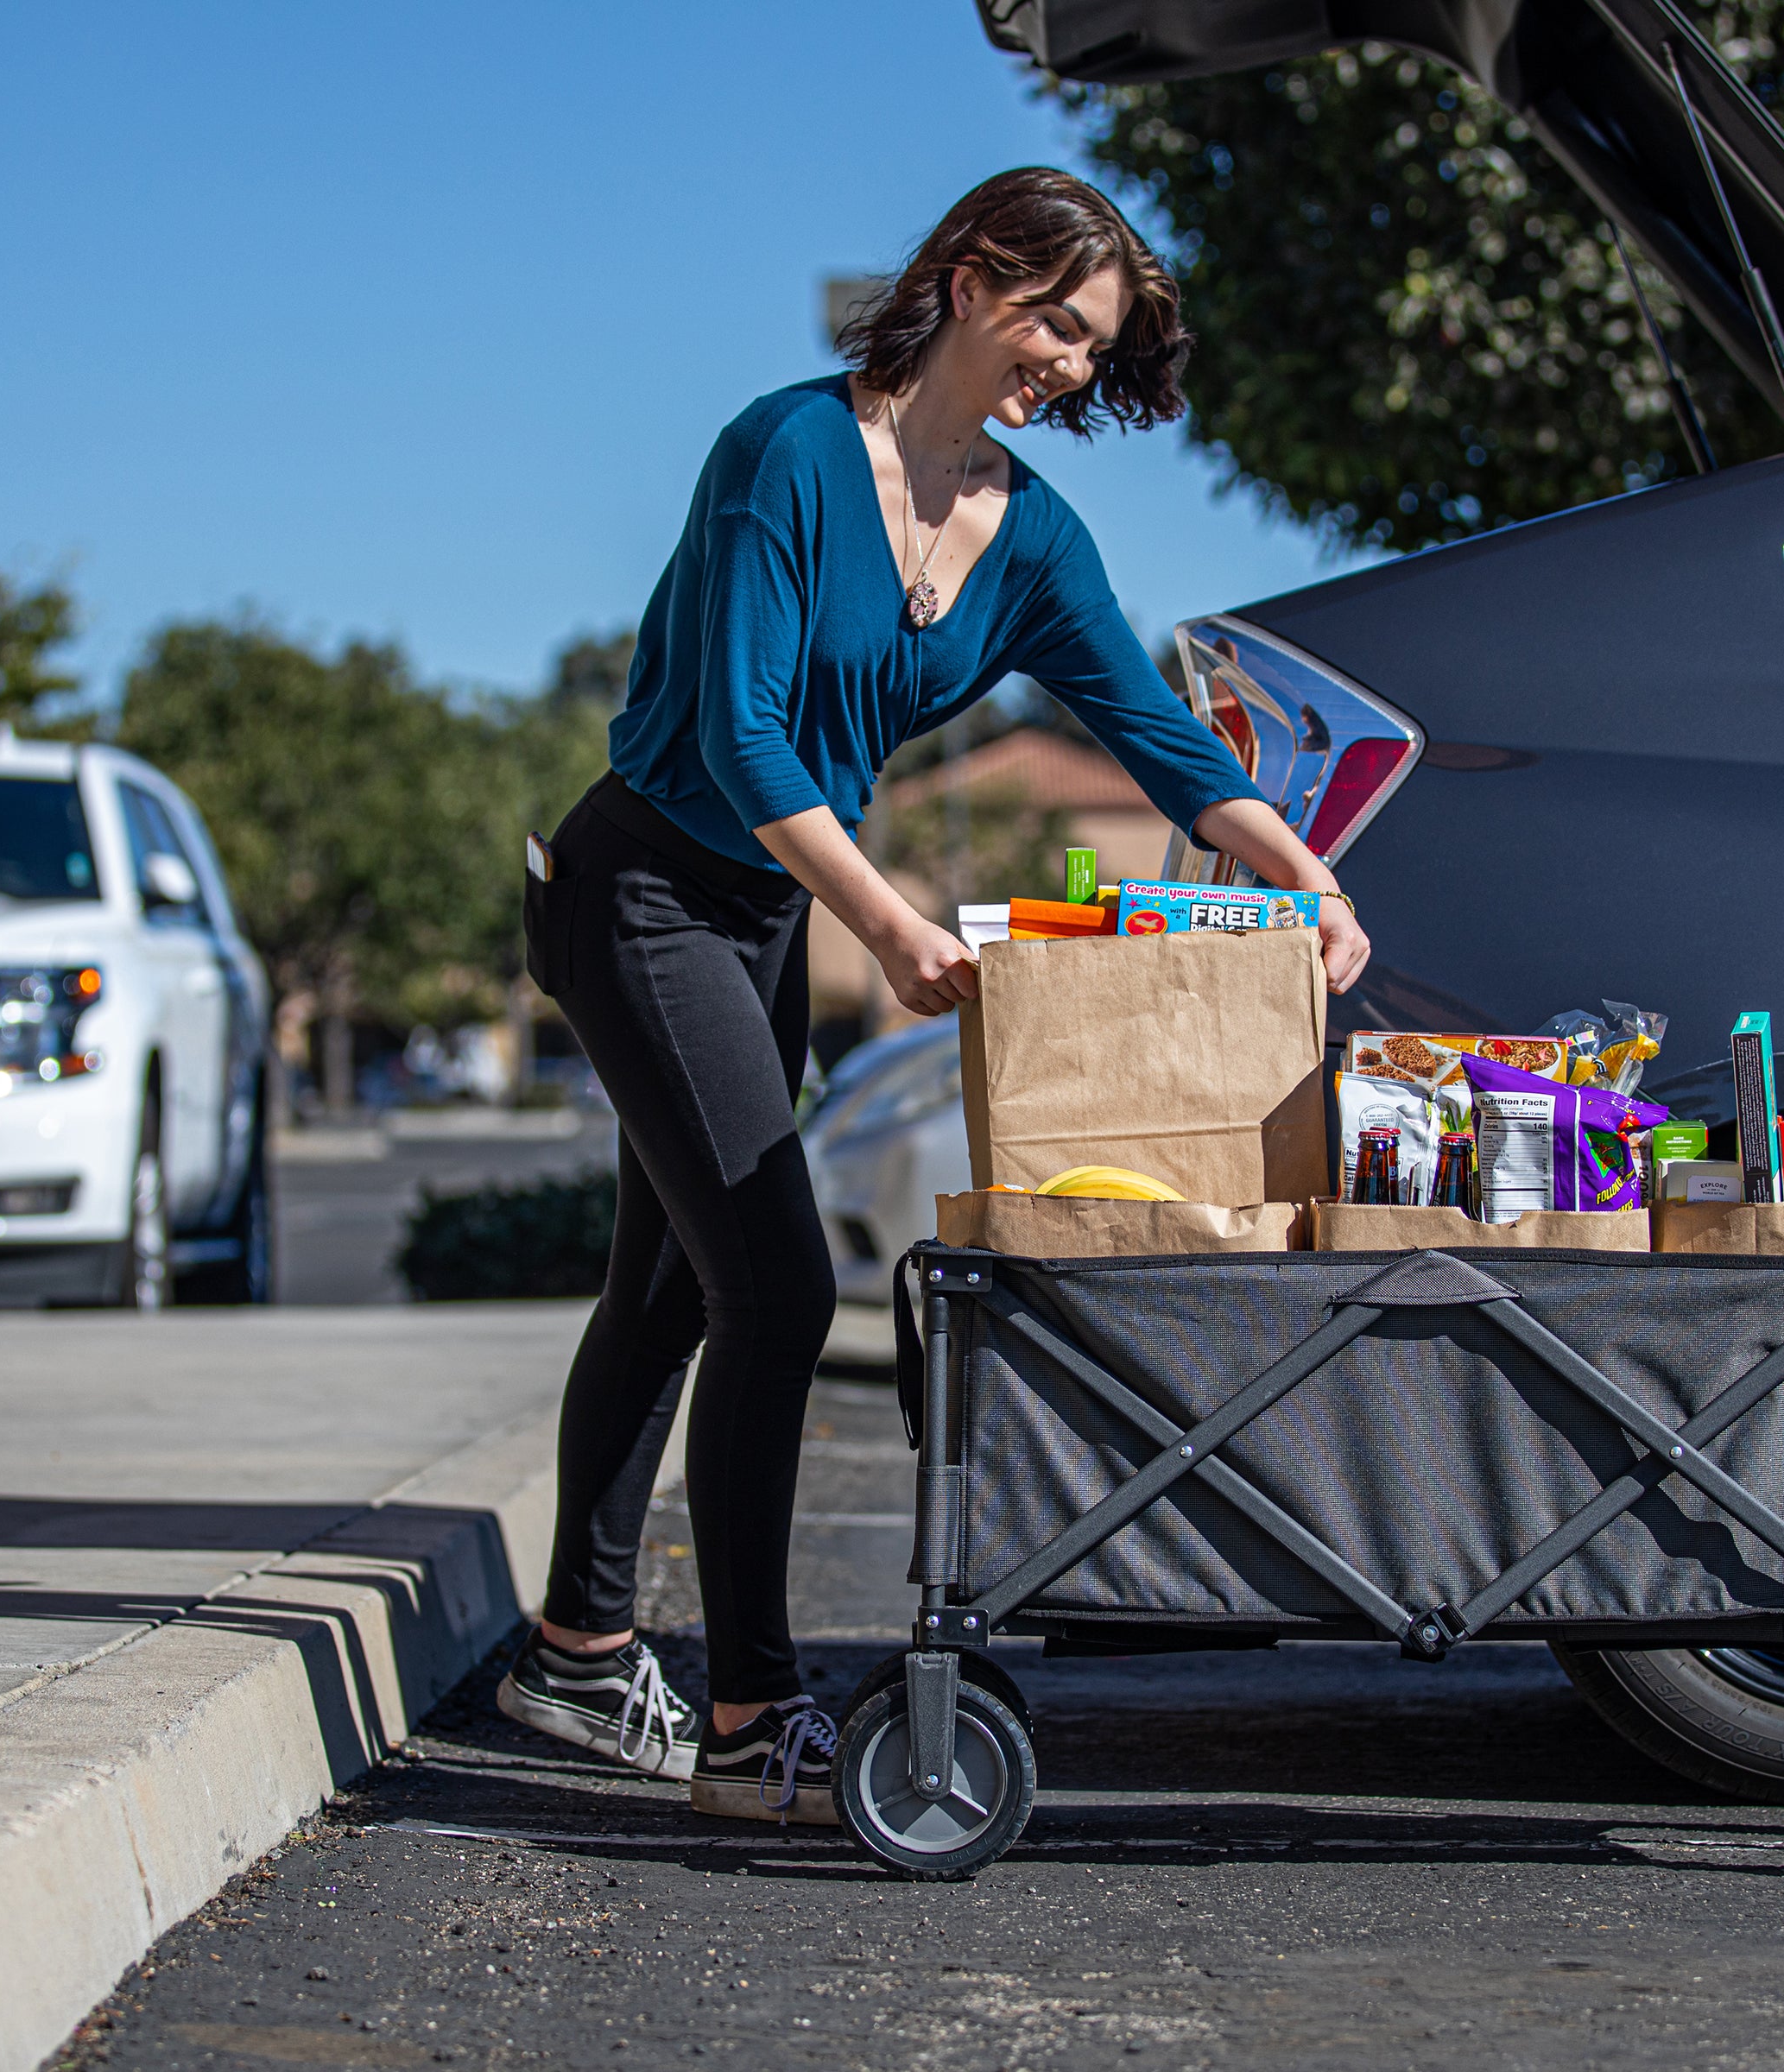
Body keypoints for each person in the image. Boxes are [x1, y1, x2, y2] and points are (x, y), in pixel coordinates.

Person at [501, 167, 1373, 1823]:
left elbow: (1157, 730)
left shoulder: (1027, 528)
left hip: (754, 908)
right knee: (768, 1288)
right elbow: (751, 737)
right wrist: (894, 929)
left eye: (1091, 345)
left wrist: (1305, 872)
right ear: (973, 280)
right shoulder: (789, 455)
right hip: (640, 890)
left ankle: (577, 1647)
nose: (1066, 362)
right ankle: (750, 1724)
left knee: (673, 1292)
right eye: (1054, 321)